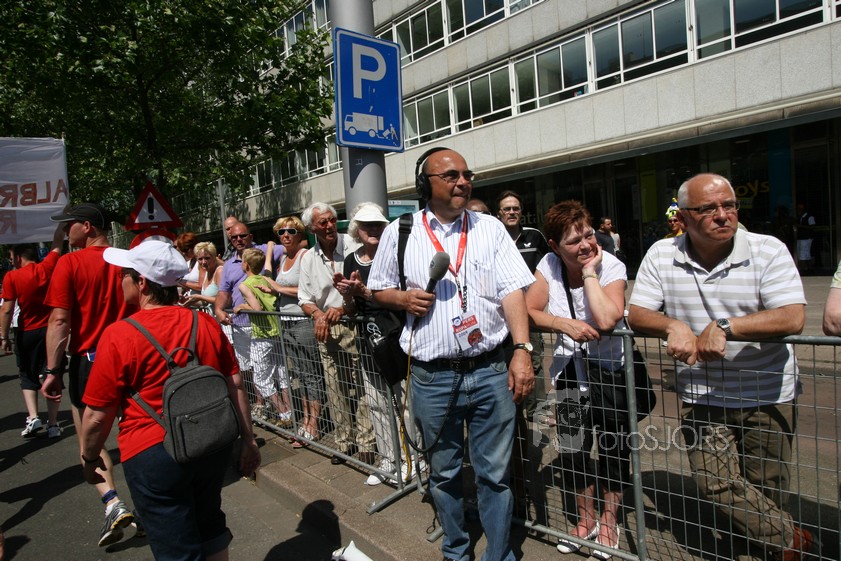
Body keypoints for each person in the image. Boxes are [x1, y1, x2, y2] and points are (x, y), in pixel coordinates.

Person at [628, 173, 814, 561]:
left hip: (767, 392)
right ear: (683, 216)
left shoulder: (767, 250)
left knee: (767, 488)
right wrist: (673, 325)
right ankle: (790, 541)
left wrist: (726, 326)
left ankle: (764, 550)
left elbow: (792, 316)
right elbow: (639, 312)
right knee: (715, 481)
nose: (722, 215)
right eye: (708, 208)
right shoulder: (662, 255)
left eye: (729, 205)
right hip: (702, 395)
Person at [368, 147, 535, 561]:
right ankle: (456, 550)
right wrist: (403, 298)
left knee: (494, 476)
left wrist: (521, 350)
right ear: (425, 184)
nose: (463, 182)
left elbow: (512, 291)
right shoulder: (400, 231)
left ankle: (499, 554)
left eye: (467, 174)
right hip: (431, 377)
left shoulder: (490, 228)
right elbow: (377, 289)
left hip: (490, 370)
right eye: (451, 176)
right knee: (443, 474)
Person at [79, 240, 260, 561]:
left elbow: (96, 416)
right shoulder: (204, 323)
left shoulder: (118, 335)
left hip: (153, 453)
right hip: (210, 443)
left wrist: (90, 458)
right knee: (210, 524)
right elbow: (235, 384)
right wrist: (248, 439)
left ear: (142, 282)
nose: (120, 280)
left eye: (124, 274)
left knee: (175, 544)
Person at [524, 200, 628, 560]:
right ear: (555, 246)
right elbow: (528, 310)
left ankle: (609, 521)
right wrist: (562, 323)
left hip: (610, 373)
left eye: (588, 235)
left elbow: (607, 318)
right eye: (574, 241)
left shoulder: (610, 264)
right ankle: (585, 520)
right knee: (573, 452)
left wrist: (589, 272)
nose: (585, 244)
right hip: (569, 372)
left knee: (613, 450)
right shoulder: (548, 265)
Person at [40, 203, 139, 547]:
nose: (64, 231)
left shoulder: (69, 263)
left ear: (86, 226)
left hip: (90, 360)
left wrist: (53, 370)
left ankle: (112, 501)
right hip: (133, 354)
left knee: (89, 440)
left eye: (68, 225)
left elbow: (59, 320)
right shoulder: (127, 259)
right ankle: (146, 501)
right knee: (137, 429)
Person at [335, 203, 419, 485]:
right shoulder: (350, 260)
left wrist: (366, 292)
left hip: (397, 337)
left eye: (378, 224)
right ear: (356, 230)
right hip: (368, 340)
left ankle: (414, 459)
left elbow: (403, 298)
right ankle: (389, 458)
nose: (373, 229)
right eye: (366, 225)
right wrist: (348, 296)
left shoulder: (398, 255)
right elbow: (350, 310)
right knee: (377, 402)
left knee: (405, 401)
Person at [298, 202, 376, 466]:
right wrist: (318, 316)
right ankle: (344, 442)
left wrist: (341, 309)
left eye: (332, 219)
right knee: (335, 386)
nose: (330, 225)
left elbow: (366, 286)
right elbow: (304, 299)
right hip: (326, 328)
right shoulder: (308, 258)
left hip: (355, 322)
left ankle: (366, 442)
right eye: (323, 222)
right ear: (312, 228)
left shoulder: (353, 245)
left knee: (363, 384)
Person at [256, 216, 323, 448]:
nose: (285, 235)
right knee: (300, 375)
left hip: (303, 320)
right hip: (285, 320)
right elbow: (277, 286)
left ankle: (314, 425)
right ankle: (305, 420)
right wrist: (273, 290)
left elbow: (309, 290)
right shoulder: (284, 258)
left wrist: (277, 288)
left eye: (291, 231)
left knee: (311, 373)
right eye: (281, 232)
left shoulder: (306, 256)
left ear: (300, 234)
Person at [0, 223, 65, 439]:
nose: (11, 261)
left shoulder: (12, 277)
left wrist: (3, 336)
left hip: (26, 331)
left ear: (19, 257)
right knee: (52, 372)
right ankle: (53, 424)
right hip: (50, 330)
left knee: (27, 374)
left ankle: (34, 416)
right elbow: (57, 244)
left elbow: (7, 309)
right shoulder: (47, 268)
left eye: (12, 257)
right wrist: (61, 224)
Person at [214, 222, 283, 408]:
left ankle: (282, 410)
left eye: (242, 236)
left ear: (250, 236)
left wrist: (272, 245)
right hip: (242, 325)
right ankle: (262, 404)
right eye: (234, 237)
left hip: (265, 325)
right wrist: (218, 309)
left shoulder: (262, 251)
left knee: (272, 368)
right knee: (250, 367)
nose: (238, 240)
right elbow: (223, 293)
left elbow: (295, 246)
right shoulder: (229, 265)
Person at [234, 248, 292, 427]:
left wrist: (242, 306)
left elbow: (256, 308)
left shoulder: (245, 284)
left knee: (260, 377)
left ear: (245, 265)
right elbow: (278, 292)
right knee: (281, 372)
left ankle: (283, 413)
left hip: (262, 335)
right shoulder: (266, 279)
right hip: (277, 331)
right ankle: (289, 412)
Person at [181, 241, 223, 310]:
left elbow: (223, 300)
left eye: (207, 258)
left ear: (214, 257)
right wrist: (187, 300)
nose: (203, 262)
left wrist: (200, 297)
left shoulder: (220, 271)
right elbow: (206, 302)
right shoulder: (206, 273)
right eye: (200, 259)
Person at [795, 202, 816, 274]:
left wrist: (801, 226)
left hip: (806, 238)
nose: (799, 210)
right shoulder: (800, 217)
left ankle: (804, 269)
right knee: (803, 254)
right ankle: (807, 269)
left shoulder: (809, 217)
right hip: (801, 238)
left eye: (801, 209)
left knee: (803, 254)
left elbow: (813, 226)